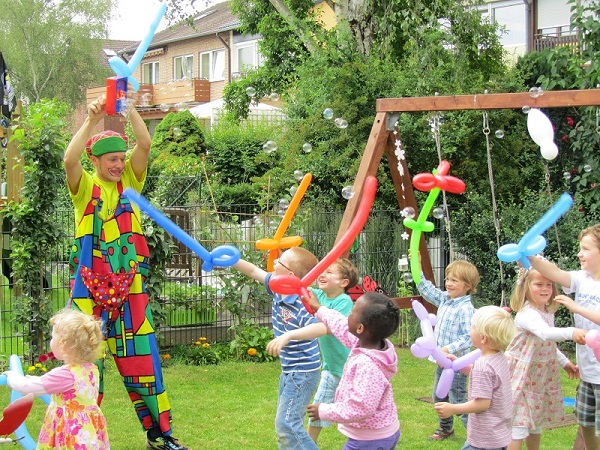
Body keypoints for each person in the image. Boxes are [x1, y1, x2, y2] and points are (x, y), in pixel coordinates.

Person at [64, 95, 187, 450]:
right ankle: (77, 438)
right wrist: (91, 120)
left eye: (121, 158)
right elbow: (69, 159)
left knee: (144, 362)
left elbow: (145, 142)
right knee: (85, 366)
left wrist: (127, 109)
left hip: (129, 291)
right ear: (97, 161)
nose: (119, 165)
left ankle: (160, 437)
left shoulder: (130, 183)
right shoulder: (85, 187)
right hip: (89, 290)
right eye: (112, 160)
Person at [233, 247, 321, 450]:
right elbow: (254, 271)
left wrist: (288, 336)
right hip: (289, 371)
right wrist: (231, 260)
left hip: (303, 373)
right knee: (286, 426)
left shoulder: (303, 300)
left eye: (279, 261)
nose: (273, 263)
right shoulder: (277, 287)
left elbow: (321, 327)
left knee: (287, 425)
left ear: (291, 275)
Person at [265, 258, 359, 444]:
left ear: (344, 283)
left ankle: (366, 439)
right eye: (321, 271)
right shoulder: (317, 294)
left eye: (329, 272)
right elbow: (294, 282)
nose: (322, 275)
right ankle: (309, 442)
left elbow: (326, 327)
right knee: (318, 408)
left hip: (351, 369)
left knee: (357, 412)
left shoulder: (343, 302)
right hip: (330, 369)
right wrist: (282, 265)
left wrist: (289, 335)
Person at [528, 224, 600, 450]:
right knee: (585, 421)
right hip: (588, 371)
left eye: (586, 249)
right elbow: (555, 273)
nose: (580, 253)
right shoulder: (582, 278)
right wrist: (528, 254)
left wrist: (576, 308)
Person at [302, 290, 401, 449]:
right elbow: (339, 324)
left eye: (353, 311)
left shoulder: (368, 365)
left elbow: (360, 407)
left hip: (370, 440)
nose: (348, 313)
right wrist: (319, 308)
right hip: (379, 434)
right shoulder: (368, 343)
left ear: (360, 327)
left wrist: (325, 410)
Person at [506, 265, 585, 450]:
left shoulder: (547, 312)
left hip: (539, 377)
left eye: (548, 285)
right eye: (538, 284)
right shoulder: (526, 314)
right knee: (518, 425)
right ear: (526, 287)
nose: (544, 289)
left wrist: (565, 363)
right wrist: (572, 332)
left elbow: (549, 345)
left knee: (536, 424)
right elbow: (545, 333)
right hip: (522, 376)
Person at [4, 309, 110, 449]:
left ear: (63, 344)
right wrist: (35, 379)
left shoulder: (65, 374)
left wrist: (11, 376)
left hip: (69, 433)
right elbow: (62, 387)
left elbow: (25, 386)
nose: (50, 341)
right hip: (87, 432)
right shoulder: (91, 369)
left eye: (52, 337)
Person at [435, 305, 515, 450]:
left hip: (484, 439)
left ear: (483, 338)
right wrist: (457, 363)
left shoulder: (483, 366)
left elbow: (482, 403)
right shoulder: (499, 357)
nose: (469, 331)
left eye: (472, 327)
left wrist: (452, 408)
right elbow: (488, 380)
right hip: (498, 435)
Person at [417, 260, 480, 440]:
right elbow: (427, 290)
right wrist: (417, 266)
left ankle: (477, 434)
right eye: (448, 279)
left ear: (467, 286)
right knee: (439, 396)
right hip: (443, 362)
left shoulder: (466, 308)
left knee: (458, 401)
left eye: (454, 280)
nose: (448, 283)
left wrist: (446, 348)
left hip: (458, 364)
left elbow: (468, 337)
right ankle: (446, 429)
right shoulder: (446, 299)